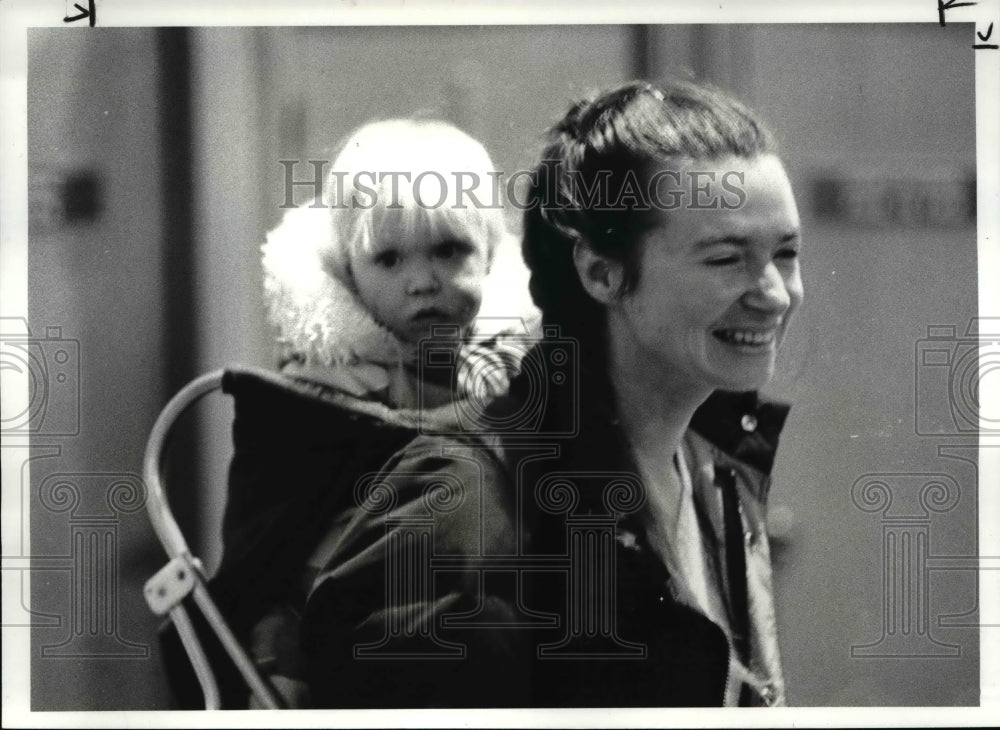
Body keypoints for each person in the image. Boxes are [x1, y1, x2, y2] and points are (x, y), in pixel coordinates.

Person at [295, 79, 803, 708]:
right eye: (727, 259)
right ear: (599, 271)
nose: (776, 294)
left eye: (786, 253)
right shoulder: (465, 500)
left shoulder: (718, 471)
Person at [162, 119, 539, 709]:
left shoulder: (523, 372)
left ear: (491, 251)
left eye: (449, 249)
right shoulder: (318, 393)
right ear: (348, 274)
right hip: (336, 626)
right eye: (388, 259)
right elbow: (265, 542)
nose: (422, 282)